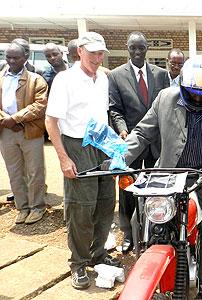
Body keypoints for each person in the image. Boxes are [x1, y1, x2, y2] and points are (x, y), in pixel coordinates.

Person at [120, 55, 202, 299]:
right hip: (168, 175)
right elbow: (143, 133)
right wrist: (120, 156)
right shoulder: (166, 98)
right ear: (183, 85)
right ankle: (146, 269)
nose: (199, 98)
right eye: (194, 93)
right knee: (138, 219)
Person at [45, 32, 119, 290]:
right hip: (77, 147)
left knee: (106, 203)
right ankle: (78, 262)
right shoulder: (65, 80)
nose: (98, 58)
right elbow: (51, 122)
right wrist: (64, 158)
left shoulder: (103, 79)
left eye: (101, 53)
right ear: (80, 51)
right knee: (81, 208)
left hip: (101, 145)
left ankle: (98, 254)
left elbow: (103, 115)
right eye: (93, 53)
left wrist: (114, 145)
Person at [108, 31, 169, 253]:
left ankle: (156, 228)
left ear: (147, 49)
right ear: (127, 48)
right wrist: (123, 130)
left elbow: (167, 107)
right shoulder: (115, 75)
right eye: (132, 48)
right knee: (127, 189)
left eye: (140, 48)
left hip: (156, 142)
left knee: (157, 188)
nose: (136, 52)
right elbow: (115, 109)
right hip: (131, 141)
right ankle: (128, 233)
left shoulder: (161, 75)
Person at [0, 42, 48, 224]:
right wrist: (8, 120)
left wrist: (16, 119)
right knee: (14, 171)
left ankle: (37, 208)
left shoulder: (36, 80)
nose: (11, 61)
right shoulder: (1, 78)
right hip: (6, 131)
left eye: (15, 57)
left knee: (35, 171)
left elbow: (39, 105)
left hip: (29, 131)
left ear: (25, 58)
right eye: (8, 57)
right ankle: (22, 207)